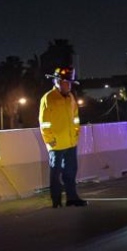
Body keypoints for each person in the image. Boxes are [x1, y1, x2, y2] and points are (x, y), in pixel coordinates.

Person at [38, 66, 86, 208]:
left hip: (71, 143)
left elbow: (75, 118)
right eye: (65, 82)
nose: (68, 85)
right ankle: (56, 200)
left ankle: (72, 198)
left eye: (69, 82)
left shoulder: (71, 97)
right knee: (55, 174)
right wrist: (50, 140)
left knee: (71, 172)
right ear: (56, 82)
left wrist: (76, 134)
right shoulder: (48, 98)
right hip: (56, 144)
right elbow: (44, 123)